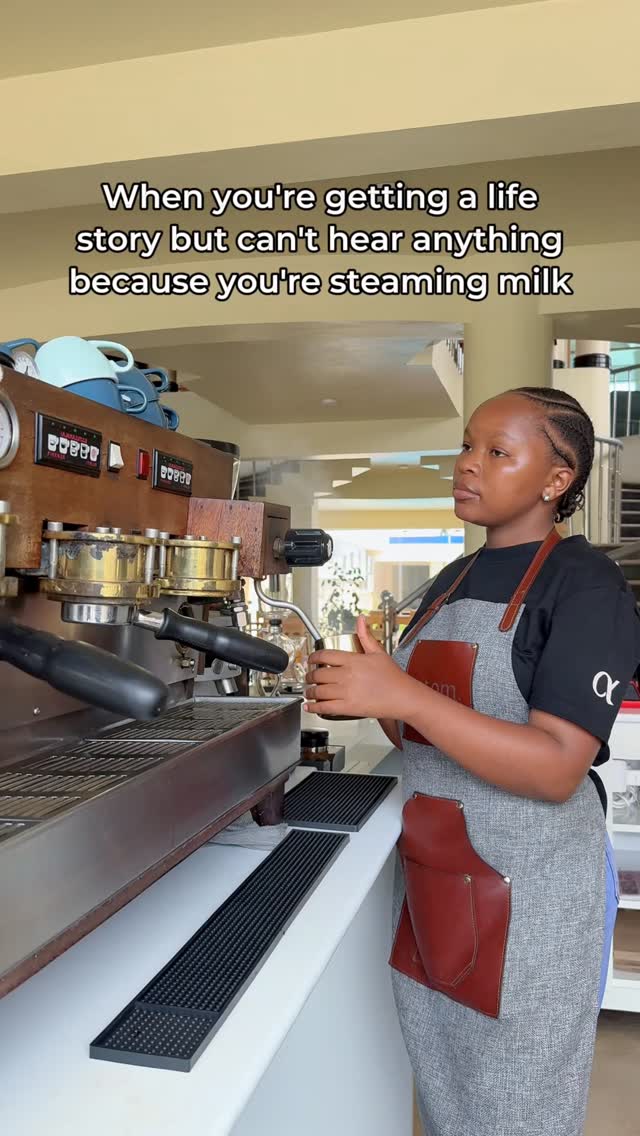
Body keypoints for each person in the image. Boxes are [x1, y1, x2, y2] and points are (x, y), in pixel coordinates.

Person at [304, 387, 640, 1136]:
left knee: (519, 1107)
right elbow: (419, 736)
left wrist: (407, 697)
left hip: (530, 898)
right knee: (451, 1096)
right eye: (466, 445)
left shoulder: (585, 586)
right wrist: (366, 692)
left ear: (558, 481)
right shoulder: (449, 583)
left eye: (497, 452)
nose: (467, 465)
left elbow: (557, 767)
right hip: (437, 881)